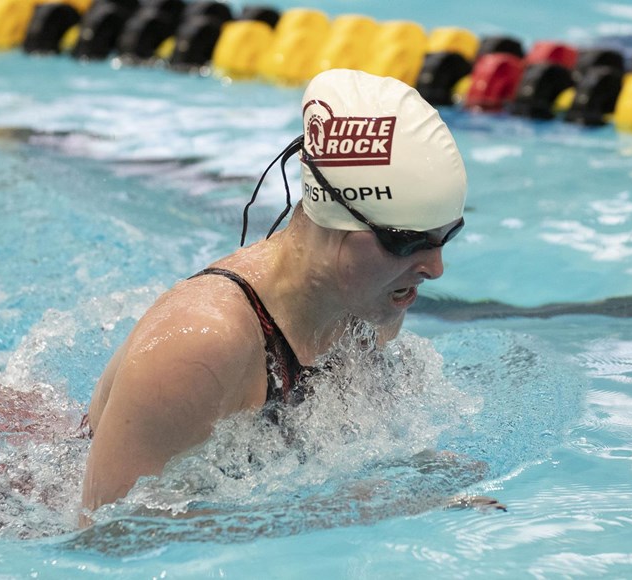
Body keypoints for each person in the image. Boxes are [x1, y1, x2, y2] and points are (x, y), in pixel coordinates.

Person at [81, 68, 469, 515]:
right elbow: (105, 536)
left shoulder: (373, 299)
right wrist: (333, 512)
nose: (435, 267)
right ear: (336, 218)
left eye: (446, 236)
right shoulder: (200, 344)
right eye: (408, 241)